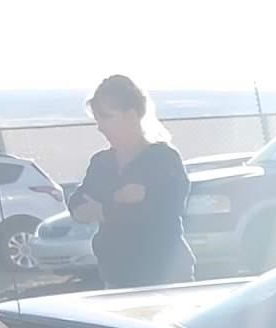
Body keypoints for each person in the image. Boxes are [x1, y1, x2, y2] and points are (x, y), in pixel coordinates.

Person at [71, 74, 193, 288]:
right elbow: (77, 205)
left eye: (107, 117)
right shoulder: (101, 162)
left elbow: (157, 212)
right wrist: (117, 200)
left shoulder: (163, 159)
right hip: (116, 278)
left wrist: (102, 209)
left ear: (132, 115)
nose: (100, 127)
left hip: (165, 278)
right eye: (97, 119)